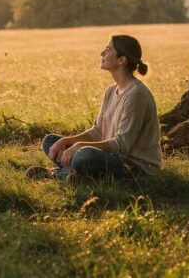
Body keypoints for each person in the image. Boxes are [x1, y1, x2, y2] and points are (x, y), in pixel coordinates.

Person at [26, 34, 162, 181]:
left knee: (84, 155)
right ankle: (77, 175)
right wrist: (66, 141)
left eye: (108, 50)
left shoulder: (136, 94)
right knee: (51, 141)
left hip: (135, 166)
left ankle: (57, 174)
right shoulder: (111, 90)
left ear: (121, 60)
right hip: (111, 157)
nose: (102, 53)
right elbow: (98, 131)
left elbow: (122, 145)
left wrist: (78, 146)